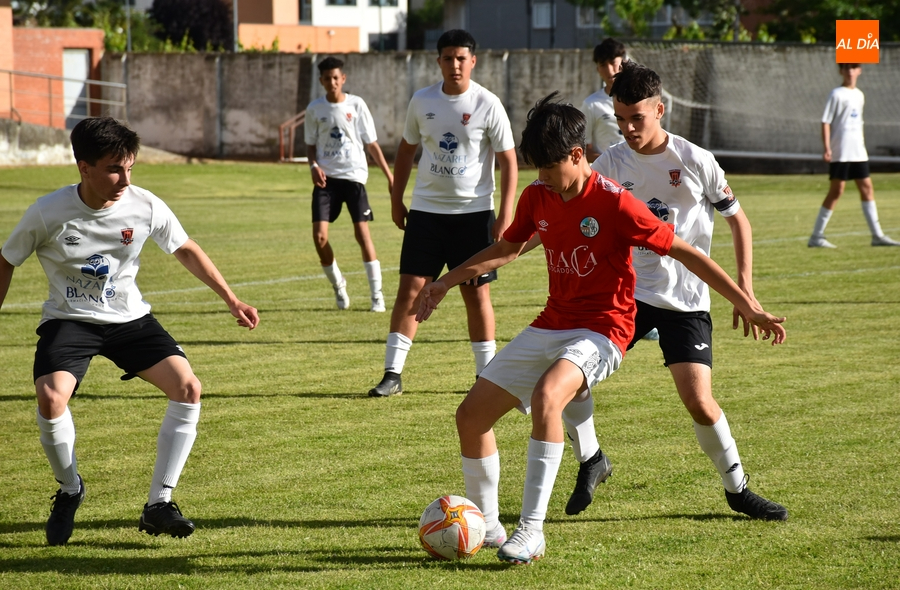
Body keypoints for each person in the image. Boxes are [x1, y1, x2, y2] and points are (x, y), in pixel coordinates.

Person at [415, 92, 786, 564]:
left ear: (576, 155)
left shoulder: (616, 204)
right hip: (553, 322)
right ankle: (487, 526)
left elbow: (687, 253)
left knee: (552, 396)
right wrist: (444, 283)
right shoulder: (538, 196)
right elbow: (506, 249)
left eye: (548, 168)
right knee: (470, 417)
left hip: (604, 329)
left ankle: (532, 532)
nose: (541, 178)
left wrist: (747, 303)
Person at [0, 117, 260, 546]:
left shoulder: (145, 205)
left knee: (188, 387)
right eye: (113, 169)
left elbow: (186, 249)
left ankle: (159, 504)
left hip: (129, 320)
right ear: (83, 168)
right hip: (70, 321)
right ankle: (69, 490)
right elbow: (6, 260)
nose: (124, 179)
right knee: (50, 400)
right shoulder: (48, 212)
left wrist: (232, 299)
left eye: (130, 168)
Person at [560, 61, 789, 522]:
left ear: (659, 110)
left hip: (685, 302)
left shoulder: (695, 160)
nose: (625, 128)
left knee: (699, 402)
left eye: (635, 118)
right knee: (568, 379)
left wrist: (744, 285)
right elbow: (572, 201)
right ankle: (591, 459)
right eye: (619, 118)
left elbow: (737, 220)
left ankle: (738, 489)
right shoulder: (610, 162)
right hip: (626, 297)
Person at [367, 29, 518, 397]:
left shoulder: (487, 103)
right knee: (410, 291)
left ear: (473, 61)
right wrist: (395, 198)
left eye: (461, 58)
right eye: (448, 58)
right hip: (427, 213)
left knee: (476, 293)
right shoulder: (422, 101)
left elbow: (508, 160)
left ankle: (486, 376)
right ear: (438, 61)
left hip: (474, 213)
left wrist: (505, 211)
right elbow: (405, 152)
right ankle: (392, 374)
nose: (455, 65)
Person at [305, 56, 395, 311]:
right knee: (319, 237)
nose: (332, 82)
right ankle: (338, 285)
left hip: (354, 177)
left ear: (343, 78)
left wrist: (390, 177)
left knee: (362, 234)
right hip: (326, 181)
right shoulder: (315, 109)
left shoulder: (357, 105)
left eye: (336, 77)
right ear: (321, 81)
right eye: (327, 78)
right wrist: (313, 166)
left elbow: (371, 144)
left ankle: (377, 295)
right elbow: (310, 146)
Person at [808, 63, 899, 248]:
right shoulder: (836, 94)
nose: (850, 71)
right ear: (841, 71)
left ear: (859, 70)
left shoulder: (859, 95)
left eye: (854, 67)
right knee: (836, 191)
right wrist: (827, 148)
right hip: (841, 151)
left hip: (858, 151)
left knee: (867, 188)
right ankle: (816, 237)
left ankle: (877, 235)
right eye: (846, 67)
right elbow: (825, 122)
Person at [580, 37, 627, 163]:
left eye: (613, 63)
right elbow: (583, 149)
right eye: (603, 65)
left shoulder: (640, 100)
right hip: (606, 176)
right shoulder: (591, 104)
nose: (610, 70)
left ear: (624, 62)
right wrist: (611, 162)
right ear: (598, 69)